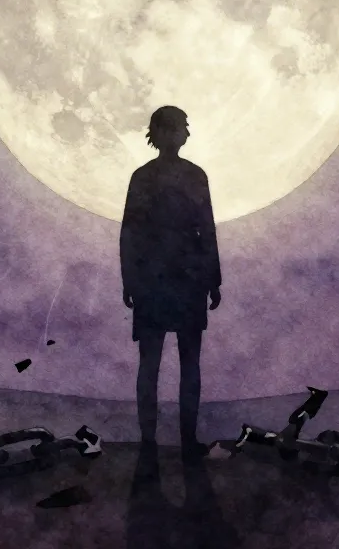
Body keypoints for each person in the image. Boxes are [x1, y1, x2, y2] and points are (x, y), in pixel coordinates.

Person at [120, 106, 222, 461]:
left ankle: (162, 442)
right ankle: (165, 442)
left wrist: (213, 279)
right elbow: (131, 232)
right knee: (167, 363)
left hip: (170, 280)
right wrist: (212, 279)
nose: (186, 134)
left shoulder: (157, 176)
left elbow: (206, 228)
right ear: (162, 132)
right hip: (168, 280)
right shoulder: (174, 176)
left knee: (166, 363)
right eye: (181, 127)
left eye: (185, 128)